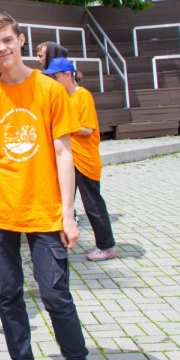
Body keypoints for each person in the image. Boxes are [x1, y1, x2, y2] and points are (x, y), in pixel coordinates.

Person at [0, 13, 91, 360]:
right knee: (9, 294)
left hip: (45, 210)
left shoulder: (50, 91)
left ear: (20, 40)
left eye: (7, 40)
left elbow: (64, 154)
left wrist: (69, 214)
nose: (2, 48)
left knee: (55, 295)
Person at [43, 57, 117, 262]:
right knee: (60, 203)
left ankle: (107, 246)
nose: (53, 81)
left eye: (55, 77)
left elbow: (88, 128)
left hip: (84, 160)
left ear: (67, 75)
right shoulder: (60, 97)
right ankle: (56, 245)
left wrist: (63, 128)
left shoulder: (83, 95)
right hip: (67, 159)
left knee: (92, 204)